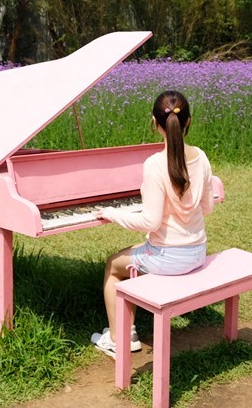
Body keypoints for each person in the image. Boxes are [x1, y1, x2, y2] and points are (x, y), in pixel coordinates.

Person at [90, 90, 215, 358]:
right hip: (197, 252)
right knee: (139, 249)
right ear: (188, 121)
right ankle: (128, 327)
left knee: (113, 265)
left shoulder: (154, 164)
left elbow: (150, 220)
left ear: (155, 122)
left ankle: (118, 339)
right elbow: (207, 207)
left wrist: (111, 213)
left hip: (169, 258)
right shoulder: (202, 157)